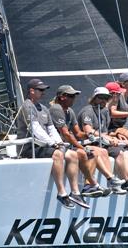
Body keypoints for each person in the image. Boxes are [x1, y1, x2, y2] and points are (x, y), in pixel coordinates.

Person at [16, 78, 89, 209]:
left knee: (72, 155)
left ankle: (75, 192)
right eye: (40, 90)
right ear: (32, 91)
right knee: (58, 154)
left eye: (44, 90)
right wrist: (52, 143)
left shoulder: (44, 108)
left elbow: (51, 129)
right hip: (29, 148)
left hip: (45, 146)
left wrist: (59, 142)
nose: (43, 92)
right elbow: (34, 128)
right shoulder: (27, 106)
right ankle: (61, 192)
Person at [48, 84, 124, 197]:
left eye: (74, 96)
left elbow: (78, 133)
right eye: (71, 96)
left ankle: (108, 180)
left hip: (68, 146)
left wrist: (89, 134)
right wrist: (81, 147)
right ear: (62, 97)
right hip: (58, 146)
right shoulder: (56, 108)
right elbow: (66, 133)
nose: (74, 98)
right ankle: (93, 184)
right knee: (91, 151)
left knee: (96, 151)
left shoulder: (70, 111)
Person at [78, 86, 128, 194]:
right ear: (94, 98)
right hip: (93, 143)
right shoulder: (88, 111)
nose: (103, 100)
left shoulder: (104, 111)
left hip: (104, 143)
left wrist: (116, 135)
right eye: (100, 98)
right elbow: (88, 130)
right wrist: (108, 137)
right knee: (120, 151)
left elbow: (106, 132)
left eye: (106, 98)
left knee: (125, 150)